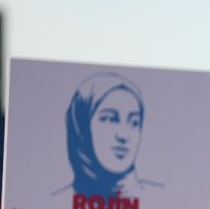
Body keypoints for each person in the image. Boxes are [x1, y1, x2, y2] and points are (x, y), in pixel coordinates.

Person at [62, 71, 159, 199]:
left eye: (134, 122)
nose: (123, 136)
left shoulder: (167, 200)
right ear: (82, 128)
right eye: (109, 119)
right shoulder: (50, 206)